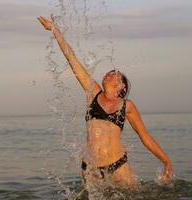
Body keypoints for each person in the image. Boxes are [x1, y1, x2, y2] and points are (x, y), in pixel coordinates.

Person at [37, 14, 172, 187]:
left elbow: (144, 136)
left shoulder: (126, 106)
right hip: (90, 168)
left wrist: (166, 161)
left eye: (115, 73)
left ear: (121, 87)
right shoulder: (93, 93)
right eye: (109, 72)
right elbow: (72, 59)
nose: (109, 72)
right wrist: (55, 30)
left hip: (118, 166)